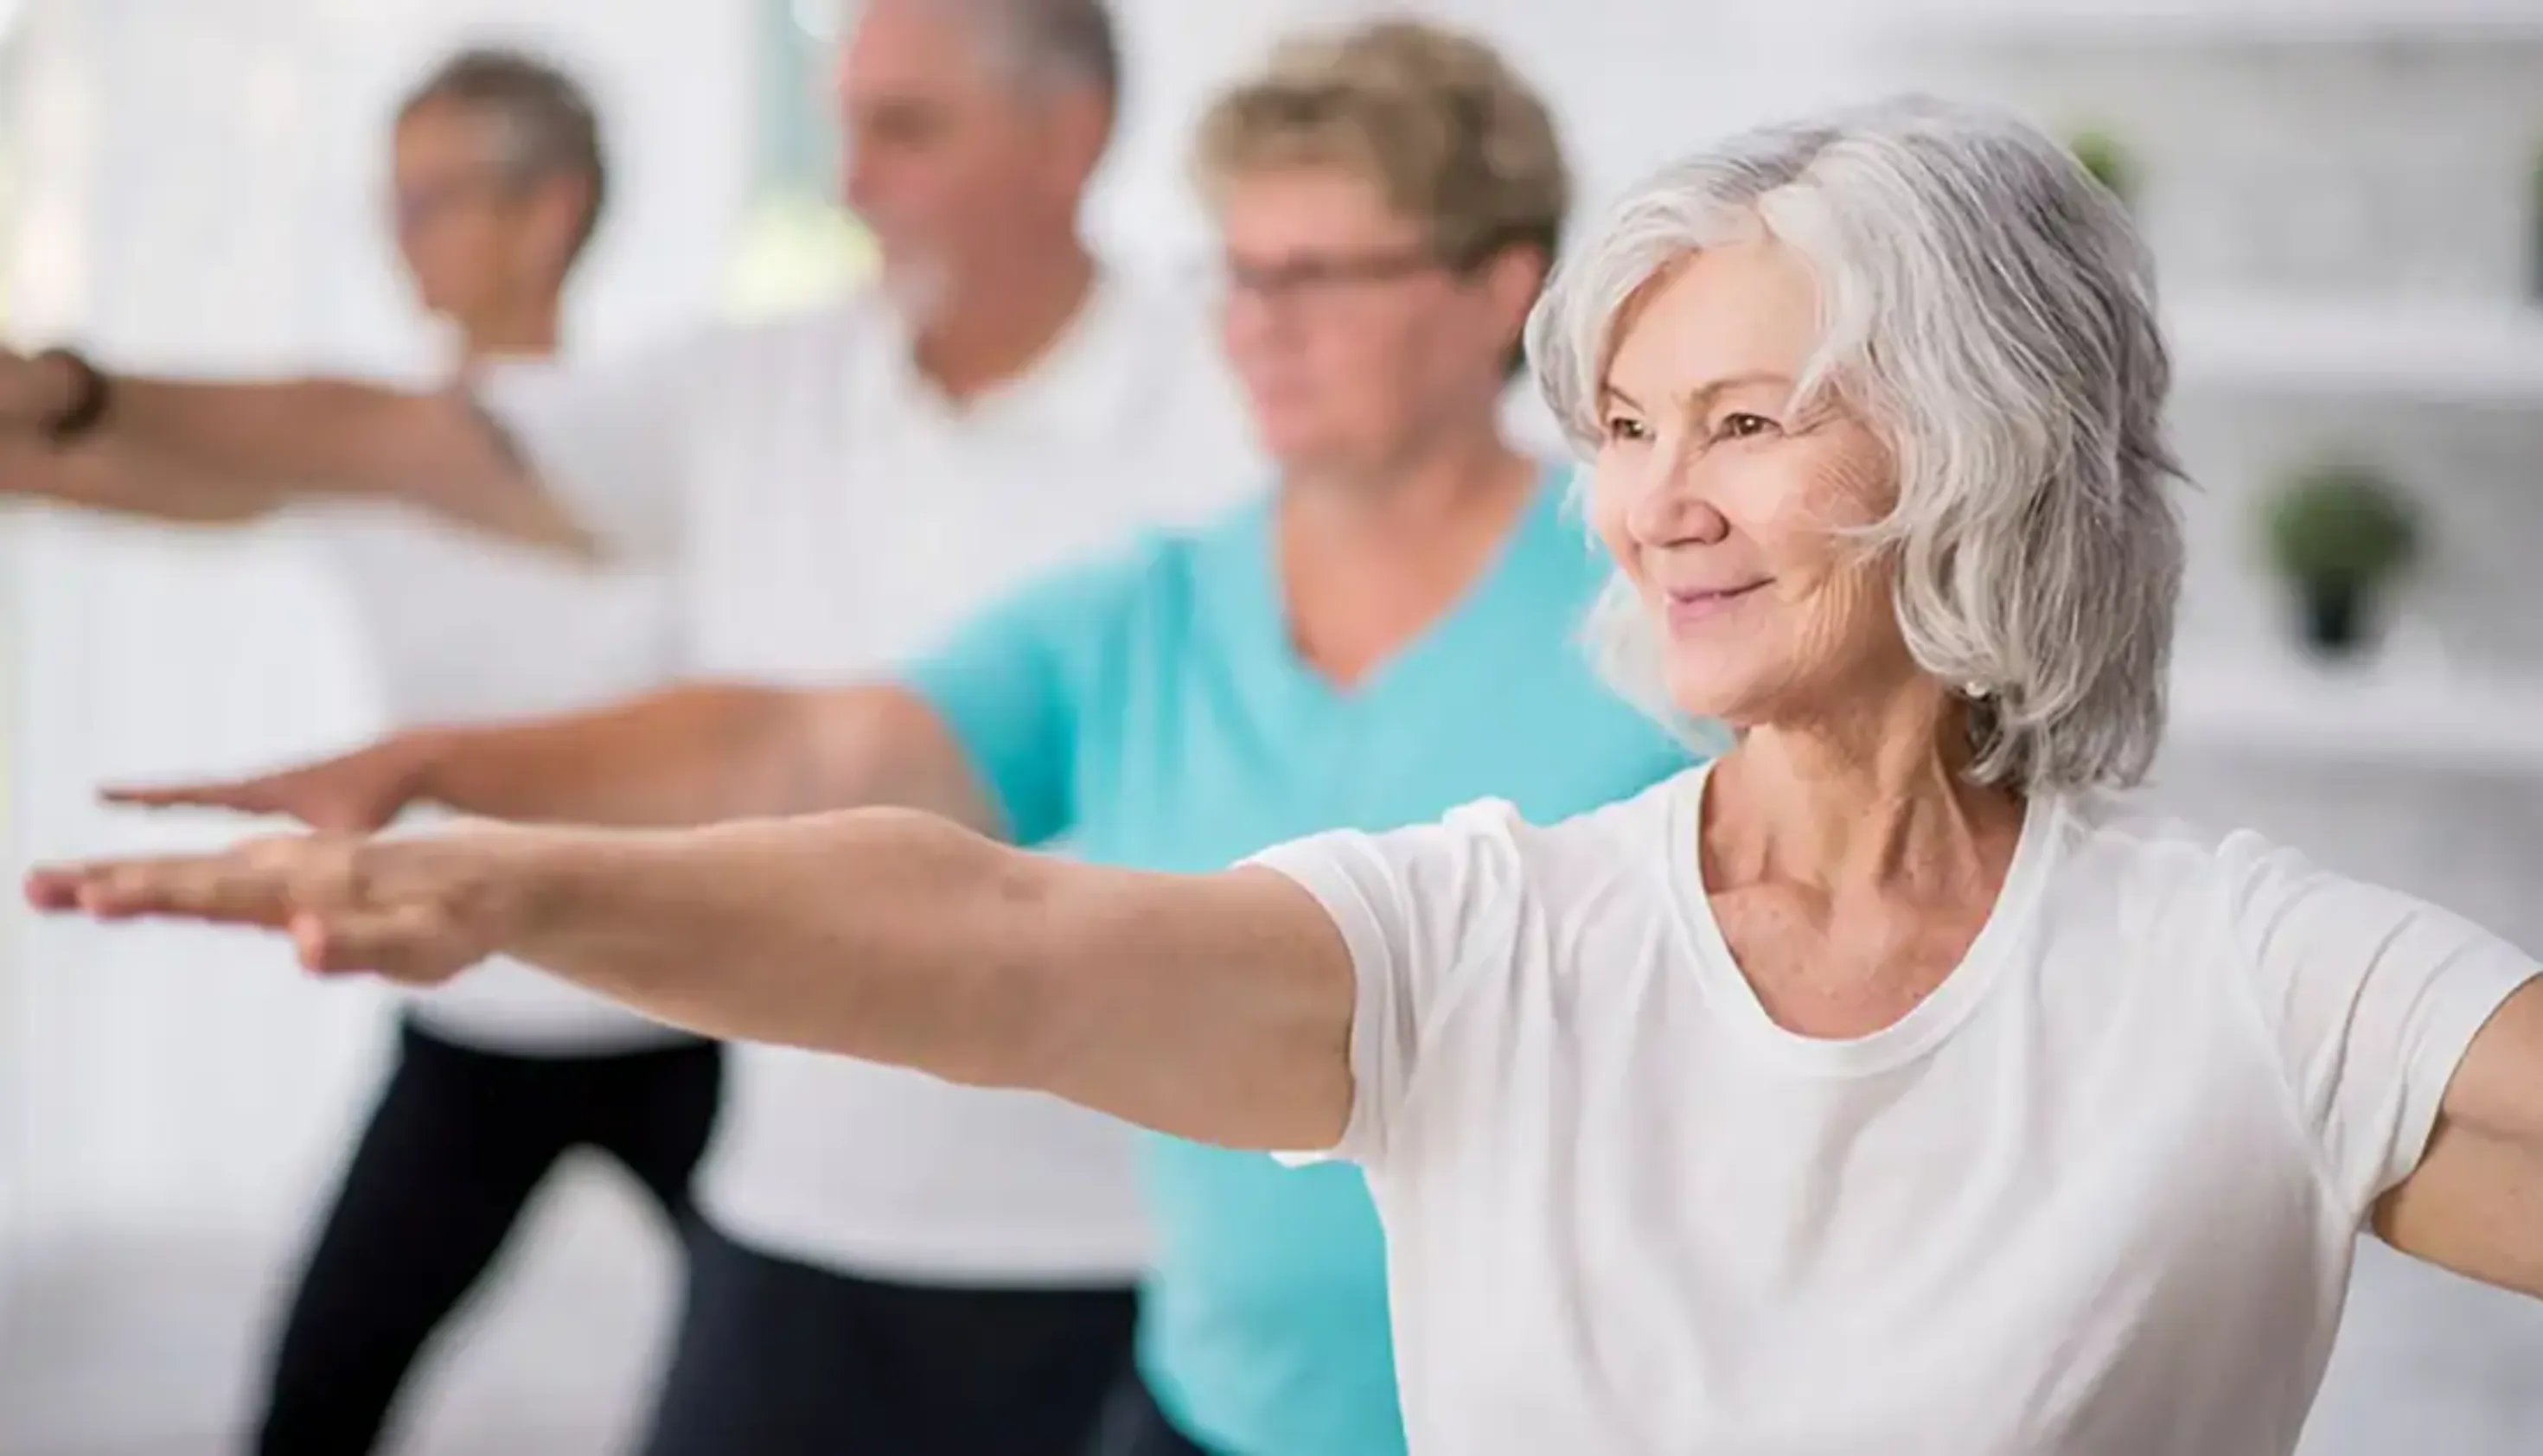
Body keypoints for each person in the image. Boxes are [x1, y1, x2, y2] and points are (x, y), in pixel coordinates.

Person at [35, 93, 2543, 1454]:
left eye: (1746, 421)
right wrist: (519, 874)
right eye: (1627, 428)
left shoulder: (2244, 976)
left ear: (1989, 447)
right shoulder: (1493, 931)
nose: (1658, 501)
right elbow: (994, 936)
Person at [26, 22, 1695, 1456]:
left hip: (1550, 1404)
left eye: (1316, 275)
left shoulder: (1662, 607)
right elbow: (814, 754)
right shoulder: (1148, 609)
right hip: (1206, 1395)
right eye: (1240, 273)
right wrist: (447, 781)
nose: (1260, 321)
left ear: (1501, 289)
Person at [23, 48, 720, 1456]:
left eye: (432, 197)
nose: (397, 234)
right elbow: (95, 462)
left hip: (683, 1016)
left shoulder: (668, 440)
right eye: (392, 198)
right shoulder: (353, 458)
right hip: (473, 1019)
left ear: (548, 211)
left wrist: (71, 392)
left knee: (774, 1390)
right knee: (316, 1403)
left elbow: (399, 442)